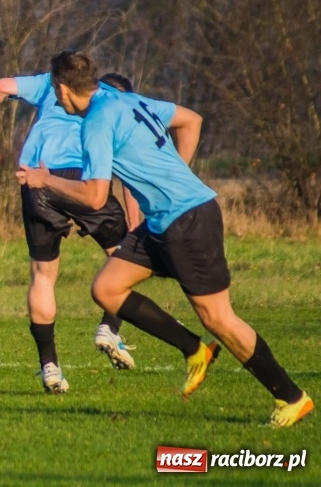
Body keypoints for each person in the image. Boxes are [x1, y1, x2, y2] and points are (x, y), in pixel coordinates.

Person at [16, 50, 313, 427]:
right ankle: (194, 350)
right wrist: (173, 175)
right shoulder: (123, 99)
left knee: (218, 318)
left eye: (56, 96)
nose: (58, 103)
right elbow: (191, 120)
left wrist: (45, 180)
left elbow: (94, 197)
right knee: (107, 288)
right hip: (162, 219)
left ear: (62, 90)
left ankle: (292, 397)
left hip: (187, 219)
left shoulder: (95, 122)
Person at [0, 64, 141, 395]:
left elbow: (0, 85)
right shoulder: (115, 109)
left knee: (43, 276)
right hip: (82, 178)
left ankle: (49, 366)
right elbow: (129, 178)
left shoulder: (50, 86)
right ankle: (109, 327)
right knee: (129, 259)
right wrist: (133, 225)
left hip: (37, 178)